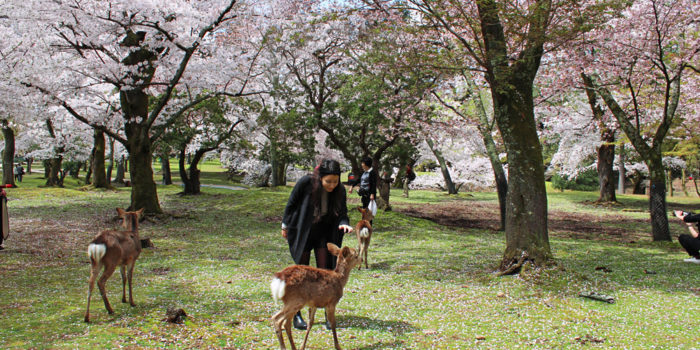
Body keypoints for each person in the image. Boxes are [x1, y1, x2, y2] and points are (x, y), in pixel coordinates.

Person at [281, 158, 353, 329]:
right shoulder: (306, 182)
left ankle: (328, 313)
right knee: (302, 273)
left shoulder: (340, 190)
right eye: (328, 181)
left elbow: (342, 212)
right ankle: (296, 314)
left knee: (325, 273)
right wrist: (285, 225)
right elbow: (291, 204)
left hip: (324, 232)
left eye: (335, 181)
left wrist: (344, 223)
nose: (332, 185)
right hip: (304, 231)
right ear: (320, 177)